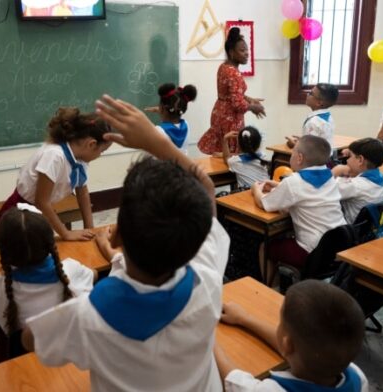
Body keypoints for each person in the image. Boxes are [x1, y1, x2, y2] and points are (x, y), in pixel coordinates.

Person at [22, 94, 230, 391]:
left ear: (117, 234)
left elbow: (30, 338)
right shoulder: (208, 279)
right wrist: (155, 143)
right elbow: (207, 188)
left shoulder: (88, 315)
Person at [0, 205, 95, 365]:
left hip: (22, 369)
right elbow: (94, 273)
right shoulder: (72, 269)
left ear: (1, 251)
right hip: (71, 364)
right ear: (51, 244)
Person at [0, 107, 112, 248]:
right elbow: (41, 202)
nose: (101, 155)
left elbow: (82, 192)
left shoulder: (80, 159)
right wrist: (66, 233)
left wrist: (90, 228)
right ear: (91, 144)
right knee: (5, 253)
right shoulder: (55, 156)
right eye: (102, 151)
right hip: (21, 213)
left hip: (40, 213)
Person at [215, 280, 369, 391]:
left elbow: (233, 380)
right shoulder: (358, 378)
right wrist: (244, 319)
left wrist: (208, 337)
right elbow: (294, 346)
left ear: (287, 343)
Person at [252, 135, 346, 280]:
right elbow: (308, 194)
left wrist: (255, 189)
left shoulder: (293, 182)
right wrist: (279, 186)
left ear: (299, 158)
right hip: (338, 246)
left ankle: (272, 294)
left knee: (265, 247)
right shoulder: (330, 178)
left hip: (313, 252)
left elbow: (264, 203)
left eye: (293, 151)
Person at [198, 27, 265, 155]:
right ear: (231, 52)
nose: (247, 53)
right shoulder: (234, 73)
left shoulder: (223, 67)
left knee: (220, 153)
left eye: (247, 50)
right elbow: (237, 104)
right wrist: (253, 107)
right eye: (242, 50)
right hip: (230, 118)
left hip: (219, 113)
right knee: (230, 157)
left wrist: (248, 98)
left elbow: (229, 94)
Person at [331, 138, 383, 224]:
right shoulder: (382, 179)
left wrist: (336, 171)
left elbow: (325, 190)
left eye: (350, 156)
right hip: (370, 228)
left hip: (349, 230)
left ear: (360, 160)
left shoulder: (354, 186)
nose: (347, 160)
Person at [145, 83, 197, 155]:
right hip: (183, 166)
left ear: (162, 108)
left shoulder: (158, 131)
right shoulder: (186, 125)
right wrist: (162, 109)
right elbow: (174, 111)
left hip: (163, 166)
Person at [286, 83, 339, 150]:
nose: (307, 94)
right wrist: (303, 140)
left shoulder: (313, 122)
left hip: (314, 159)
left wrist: (295, 144)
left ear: (319, 103)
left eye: (311, 93)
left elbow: (310, 150)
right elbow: (318, 140)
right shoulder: (328, 117)